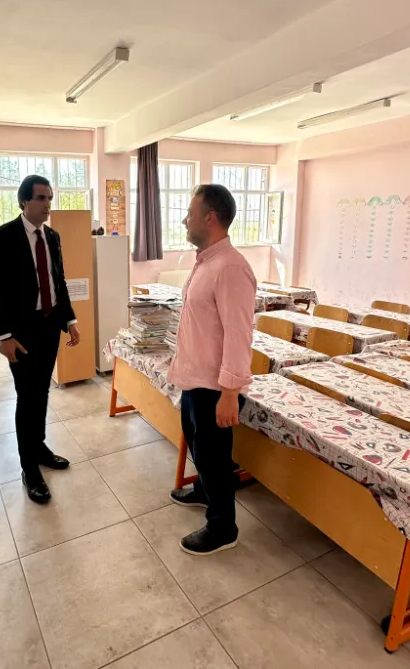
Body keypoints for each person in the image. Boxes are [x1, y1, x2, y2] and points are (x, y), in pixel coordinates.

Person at [168, 184, 256, 555]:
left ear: (210, 217)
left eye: (190, 213)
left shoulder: (230, 268)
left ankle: (223, 528)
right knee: (200, 449)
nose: (184, 220)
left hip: (215, 387)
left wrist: (230, 393)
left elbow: (239, 335)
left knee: (215, 458)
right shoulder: (206, 261)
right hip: (195, 378)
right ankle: (205, 491)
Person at [0, 175, 80, 504]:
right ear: (24, 201)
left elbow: (58, 281)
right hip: (21, 333)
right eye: (41, 198)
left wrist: (70, 320)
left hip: (49, 326)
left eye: (50, 198)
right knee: (27, 396)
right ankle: (29, 468)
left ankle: (38, 447)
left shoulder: (52, 236)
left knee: (41, 391)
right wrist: (4, 336)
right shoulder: (4, 236)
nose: (47, 204)